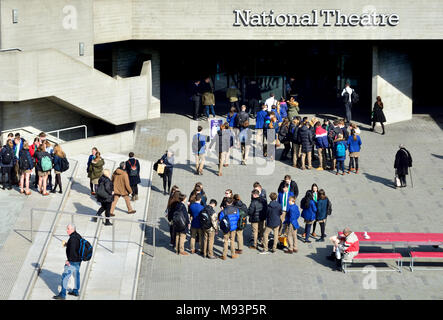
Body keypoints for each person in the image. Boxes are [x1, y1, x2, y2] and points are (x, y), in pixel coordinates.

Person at [53, 224, 82, 299]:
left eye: (68, 229)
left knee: (65, 277)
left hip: (72, 261)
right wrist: (67, 244)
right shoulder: (78, 236)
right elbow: (76, 247)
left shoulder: (72, 238)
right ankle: (75, 291)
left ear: (73, 229)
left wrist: (69, 261)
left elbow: (72, 251)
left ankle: (62, 295)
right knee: (76, 275)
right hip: (78, 260)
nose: (67, 230)